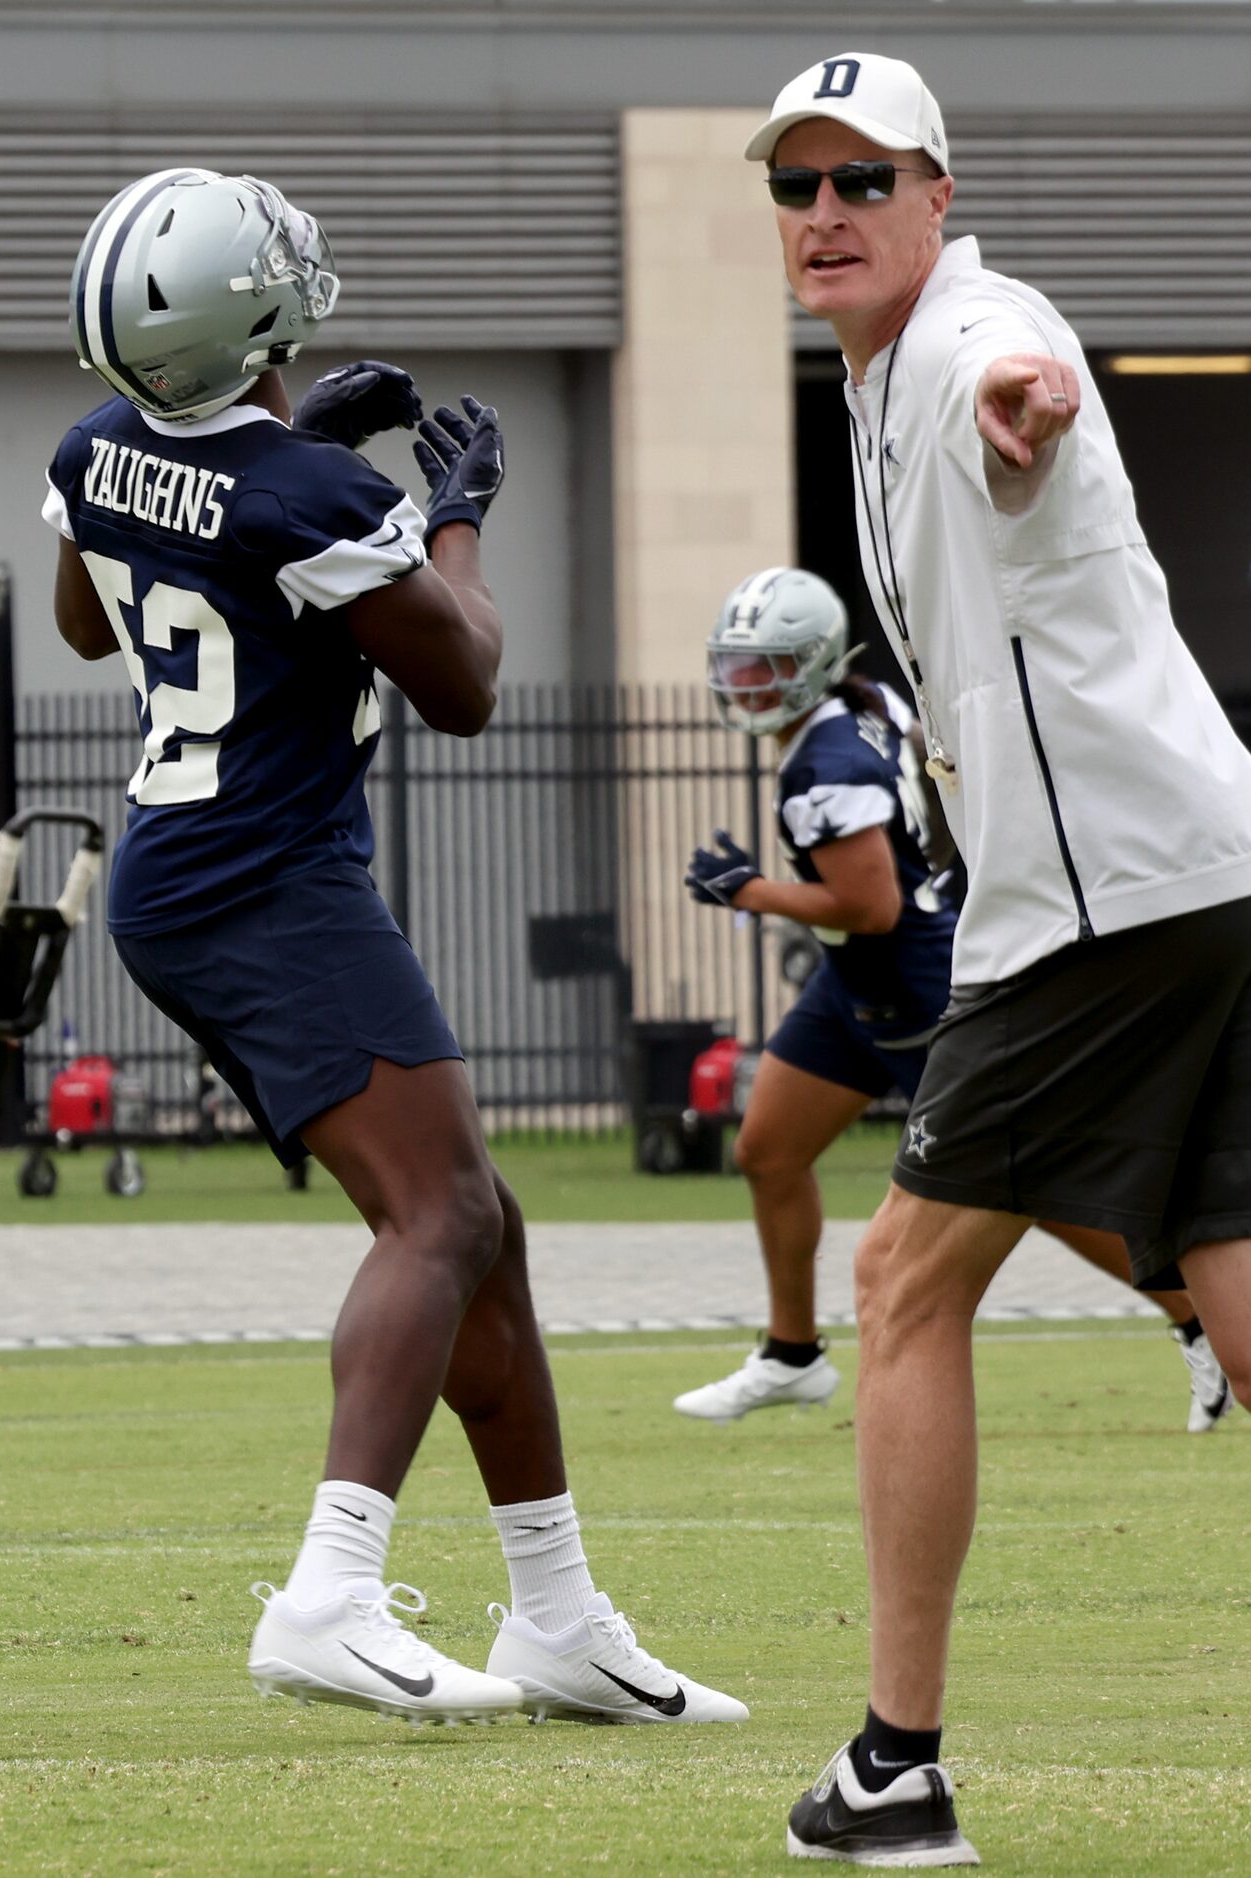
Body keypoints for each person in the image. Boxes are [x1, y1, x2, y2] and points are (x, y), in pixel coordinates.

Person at [44, 166, 747, 1729]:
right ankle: (331, 1588)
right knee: (437, 1216)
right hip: (268, 875)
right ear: (249, 315)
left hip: (189, 862)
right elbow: (467, 681)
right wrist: (453, 510)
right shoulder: (322, 499)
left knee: (479, 1221)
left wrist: (287, 448)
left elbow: (94, 621)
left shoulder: (95, 447)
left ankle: (558, 1614)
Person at [740, 53, 1251, 1864]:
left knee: (897, 1282)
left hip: (1096, 896)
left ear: (935, 197)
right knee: (1230, 1293)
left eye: (860, 181)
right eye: (794, 188)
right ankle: (891, 1769)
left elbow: (1011, 385)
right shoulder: (874, 378)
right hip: (1180, 870)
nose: (822, 216)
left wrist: (1027, 405)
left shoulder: (972, 334)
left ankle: (893, 1767)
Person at [674, 567, 1232, 1437]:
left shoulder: (826, 765)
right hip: (852, 981)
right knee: (767, 1148)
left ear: (814, 664)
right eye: (738, 667)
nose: (746, 686)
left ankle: (1194, 1316)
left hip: (908, 980)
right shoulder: (866, 710)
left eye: (767, 666)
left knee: (1025, 1191)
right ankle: (792, 1355)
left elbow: (869, 905)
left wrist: (748, 891)